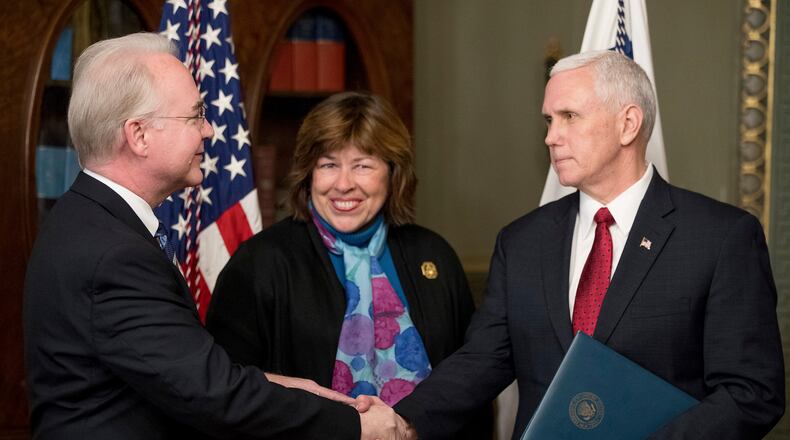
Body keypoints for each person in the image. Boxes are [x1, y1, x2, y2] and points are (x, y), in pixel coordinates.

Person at [23, 32, 407, 439]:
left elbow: (183, 370)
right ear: (138, 135)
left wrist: (299, 388)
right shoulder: (113, 254)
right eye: (194, 116)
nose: (208, 131)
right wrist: (355, 426)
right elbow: (213, 394)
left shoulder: (94, 220)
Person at [394, 50, 785, 439]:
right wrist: (402, 420)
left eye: (569, 117)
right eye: (549, 120)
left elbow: (751, 392)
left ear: (628, 124)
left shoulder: (719, 237)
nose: (550, 136)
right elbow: (483, 360)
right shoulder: (521, 241)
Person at [206, 91, 492, 439]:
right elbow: (227, 398)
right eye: (328, 164)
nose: (344, 184)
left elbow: (471, 387)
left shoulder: (434, 256)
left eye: (363, 165)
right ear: (308, 173)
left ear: (392, 172)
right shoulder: (259, 264)